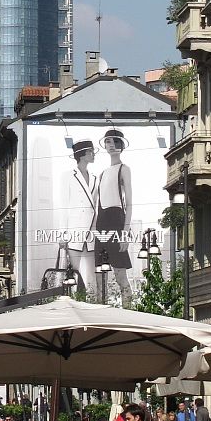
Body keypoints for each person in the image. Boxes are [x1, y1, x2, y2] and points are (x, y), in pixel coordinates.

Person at [94, 129, 133, 305]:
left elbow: (129, 202)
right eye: (108, 142)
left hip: (117, 219)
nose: (111, 146)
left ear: (120, 145)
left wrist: (125, 233)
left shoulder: (124, 169)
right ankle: (101, 310)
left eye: (114, 142)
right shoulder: (102, 173)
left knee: (120, 274)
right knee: (100, 275)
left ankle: (128, 309)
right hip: (101, 221)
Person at [63, 139, 99, 294]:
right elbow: (63, 205)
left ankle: (93, 304)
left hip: (91, 231)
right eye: (90, 151)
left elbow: (96, 205)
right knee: (73, 273)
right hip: (74, 231)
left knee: (91, 276)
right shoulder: (68, 176)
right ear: (83, 154)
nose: (93, 154)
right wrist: (63, 234)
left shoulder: (95, 178)